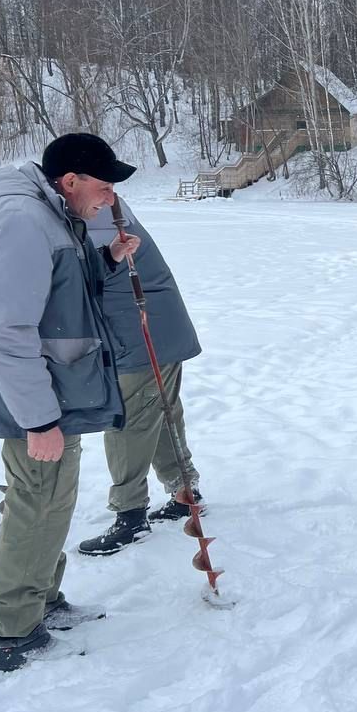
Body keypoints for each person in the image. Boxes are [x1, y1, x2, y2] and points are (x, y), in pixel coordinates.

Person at [0, 133, 139, 671]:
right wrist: (38, 420)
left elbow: (58, 292)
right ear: (71, 180)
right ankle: (15, 631)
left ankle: (43, 600)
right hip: (32, 401)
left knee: (52, 503)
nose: (109, 200)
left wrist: (106, 259)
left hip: (52, 392)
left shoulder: (47, 212)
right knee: (36, 504)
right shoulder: (21, 221)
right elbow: (8, 334)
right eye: (105, 188)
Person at [76, 199, 205, 555]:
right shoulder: (106, 210)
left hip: (140, 335)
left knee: (128, 421)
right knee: (161, 413)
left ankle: (130, 515)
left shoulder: (95, 217)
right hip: (159, 331)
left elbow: (71, 282)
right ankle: (185, 492)